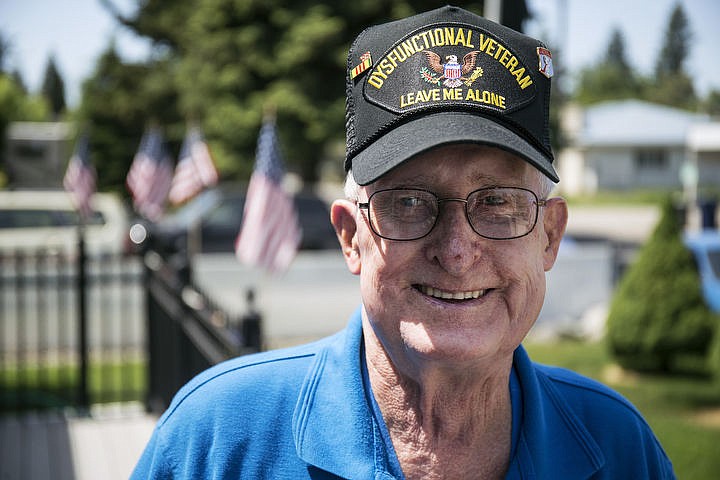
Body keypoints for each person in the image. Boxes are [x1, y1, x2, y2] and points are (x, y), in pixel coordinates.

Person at [132, 6, 675, 479]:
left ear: (549, 236)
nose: (458, 252)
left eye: (497, 202)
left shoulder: (618, 447)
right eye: (410, 202)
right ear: (351, 237)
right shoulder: (218, 439)